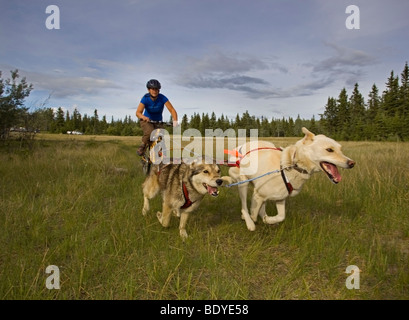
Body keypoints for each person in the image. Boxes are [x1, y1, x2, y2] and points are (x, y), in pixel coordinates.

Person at [136, 79, 178, 156]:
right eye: (153, 89)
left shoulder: (162, 98)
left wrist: (175, 121)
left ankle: (160, 155)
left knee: (161, 136)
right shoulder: (145, 98)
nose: (155, 91)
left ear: (159, 90)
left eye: (156, 89)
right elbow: (138, 112)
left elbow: (172, 110)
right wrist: (143, 117)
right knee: (150, 132)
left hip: (158, 121)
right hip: (147, 121)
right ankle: (143, 145)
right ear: (148, 90)